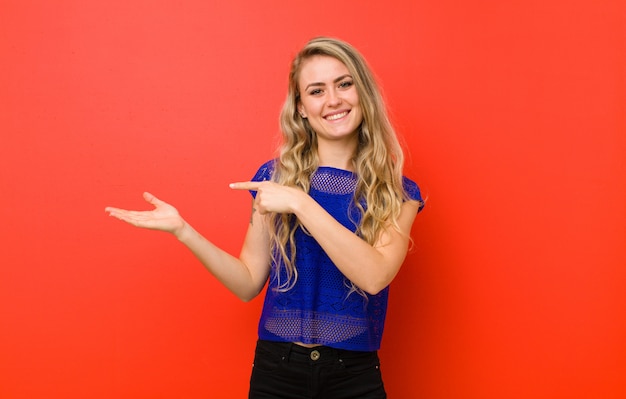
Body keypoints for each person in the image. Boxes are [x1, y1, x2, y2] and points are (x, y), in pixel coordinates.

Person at [105, 37, 424, 399]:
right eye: (316, 91)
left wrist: (302, 203)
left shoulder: (396, 192)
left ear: (362, 92)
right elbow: (247, 283)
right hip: (277, 372)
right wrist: (183, 231)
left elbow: (374, 276)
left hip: (353, 376)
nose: (333, 100)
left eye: (344, 84)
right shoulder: (275, 179)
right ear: (301, 107)